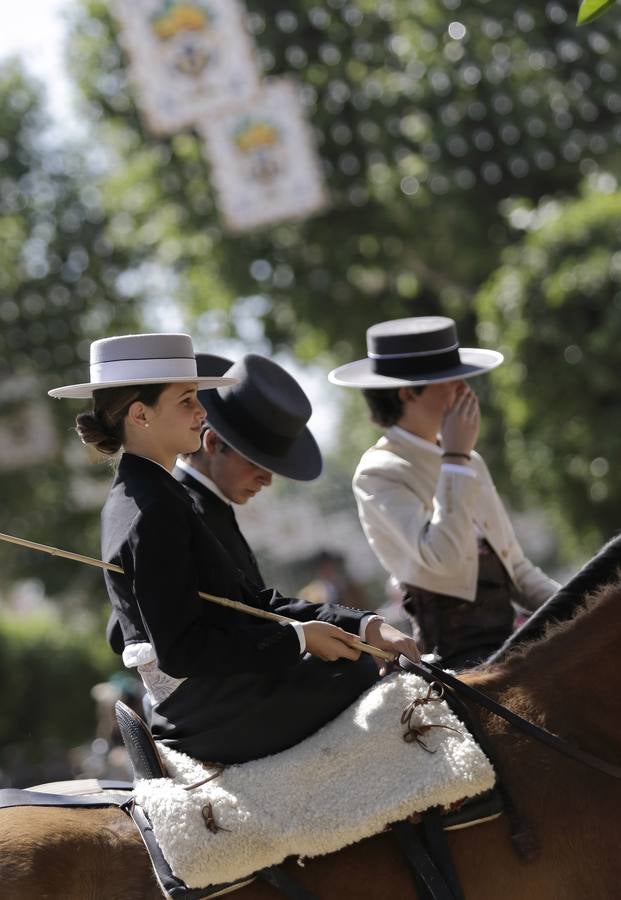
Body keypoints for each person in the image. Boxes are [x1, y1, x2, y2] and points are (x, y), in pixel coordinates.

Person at [49, 333, 420, 765]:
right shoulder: (150, 507)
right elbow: (181, 650)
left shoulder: (155, 493)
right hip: (206, 711)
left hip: (215, 697)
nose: (202, 413)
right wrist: (298, 639)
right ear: (140, 415)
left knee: (362, 664)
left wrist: (361, 625)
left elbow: (251, 601)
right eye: (187, 400)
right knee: (363, 677)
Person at [329, 316, 560, 670]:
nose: (464, 391)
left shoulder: (470, 462)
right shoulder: (379, 473)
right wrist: (454, 459)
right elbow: (445, 558)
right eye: (451, 382)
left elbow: (515, 568)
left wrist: (582, 607)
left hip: (512, 642)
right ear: (408, 392)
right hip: (452, 661)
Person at [105, 351, 320, 653]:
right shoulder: (167, 508)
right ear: (214, 443)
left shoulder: (192, 503)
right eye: (255, 462)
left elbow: (256, 604)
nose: (267, 479)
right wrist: (297, 639)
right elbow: (127, 630)